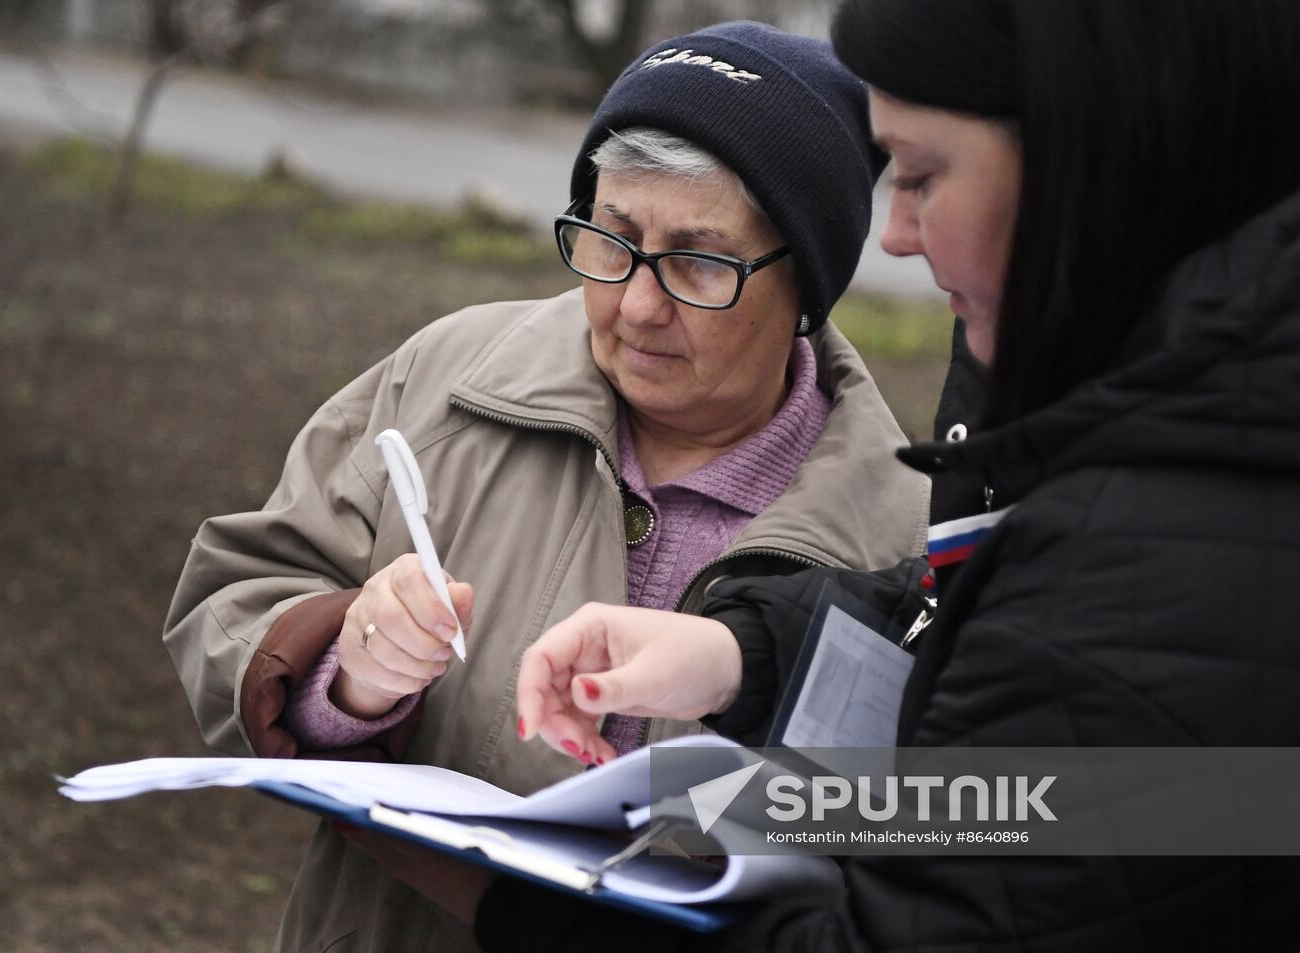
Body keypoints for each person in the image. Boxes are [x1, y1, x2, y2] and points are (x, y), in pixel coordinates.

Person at [348, 1, 1300, 949]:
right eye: (611, 238)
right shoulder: (1115, 403)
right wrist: (745, 656)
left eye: (922, 174)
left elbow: (1009, 829)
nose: (897, 236)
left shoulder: (1157, 533)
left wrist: (508, 899)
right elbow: (1046, 796)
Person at [162, 20, 929, 953]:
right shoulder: (447, 377)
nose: (636, 303)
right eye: (612, 240)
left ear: (805, 280)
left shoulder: (906, 533)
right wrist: (345, 669)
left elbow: (931, 848)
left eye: (698, 261)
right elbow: (232, 597)